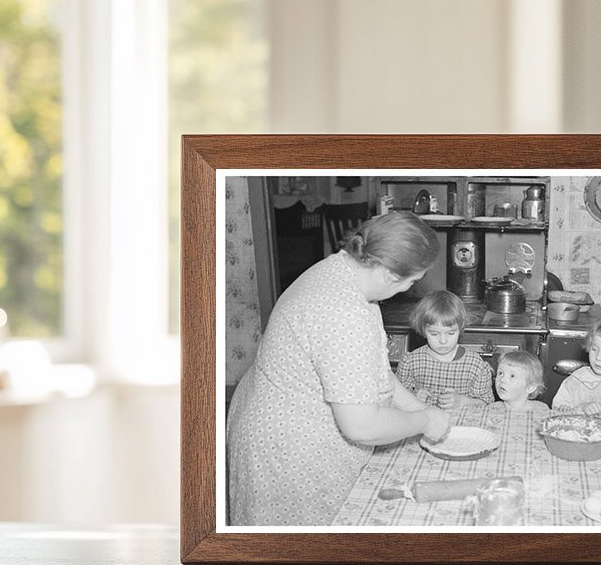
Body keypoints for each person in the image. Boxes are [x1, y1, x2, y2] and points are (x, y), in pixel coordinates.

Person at [227, 211, 451, 526]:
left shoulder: (343, 271)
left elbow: (369, 366)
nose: (411, 288)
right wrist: (424, 420)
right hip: (289, 449)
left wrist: (415, 406)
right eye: (413, 280)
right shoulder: (344, 312)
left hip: (272, 419)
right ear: (388, 273)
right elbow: (361, 425)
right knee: (293, 564)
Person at [396, 290, 495, 409]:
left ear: (460, 328)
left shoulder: (475, 365)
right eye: (434, 334)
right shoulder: (410, 362)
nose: (443, 341)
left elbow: (487, 404)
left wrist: (463, 401)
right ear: (423, 330)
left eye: (451, 333)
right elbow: (396, 399)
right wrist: (413, 397)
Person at [490, 349, 550, 415]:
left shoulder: (541, 410)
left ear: (530, 387)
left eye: (512, 376)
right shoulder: (492, 409)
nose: (502, 379)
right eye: (500, 373)